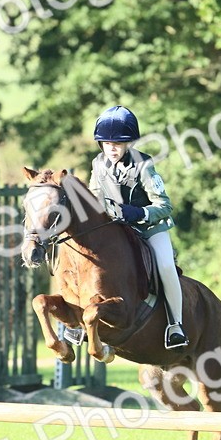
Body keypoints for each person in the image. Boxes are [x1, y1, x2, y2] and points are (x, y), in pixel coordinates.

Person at [89, 105, 188, 349]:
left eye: (118, 143)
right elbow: (93, 197)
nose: (112, 148)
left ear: (129, 143)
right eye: (107, 143)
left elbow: (164, 206)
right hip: (116, 231)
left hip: (149, 228)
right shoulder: (98, 164)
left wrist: (136, 213)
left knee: (165, 266)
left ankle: (176, 325)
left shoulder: (144, 165)